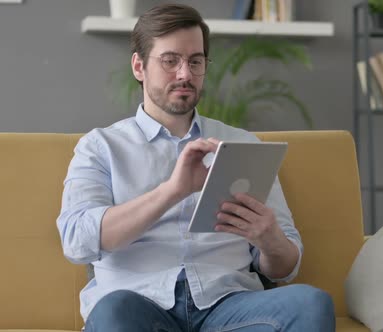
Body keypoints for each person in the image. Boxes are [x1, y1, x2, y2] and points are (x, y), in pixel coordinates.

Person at [57, 3, 335, 332]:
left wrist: (270, 239)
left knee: (311, 304)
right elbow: (77, 240)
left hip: (230, 307)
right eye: (170, 60)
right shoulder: (101, 147)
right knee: (113, 311)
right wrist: (174, 190)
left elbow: (284, 268)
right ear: (139, 66)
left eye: (195, 61)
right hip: (139, 308)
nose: (185, 74)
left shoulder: (241, 144)